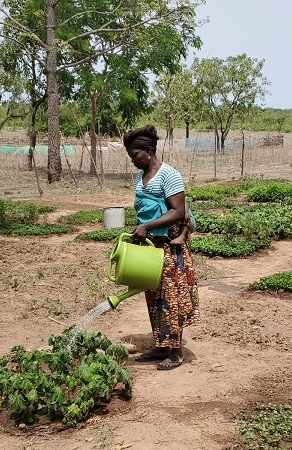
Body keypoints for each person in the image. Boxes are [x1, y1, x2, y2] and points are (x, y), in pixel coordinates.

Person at [123, 124, 200, 370]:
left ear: (149, 150)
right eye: (130, 156)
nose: (133, 160)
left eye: (135, 155)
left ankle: (176, 352)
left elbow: (178, 212)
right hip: (151, 246)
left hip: (170, 245)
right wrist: (140, 229)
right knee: (154, 296)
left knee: (171, 297)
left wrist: (148, 226)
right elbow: (145, 209)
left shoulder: (169, 175)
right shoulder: (140, 177)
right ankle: (161, 345)